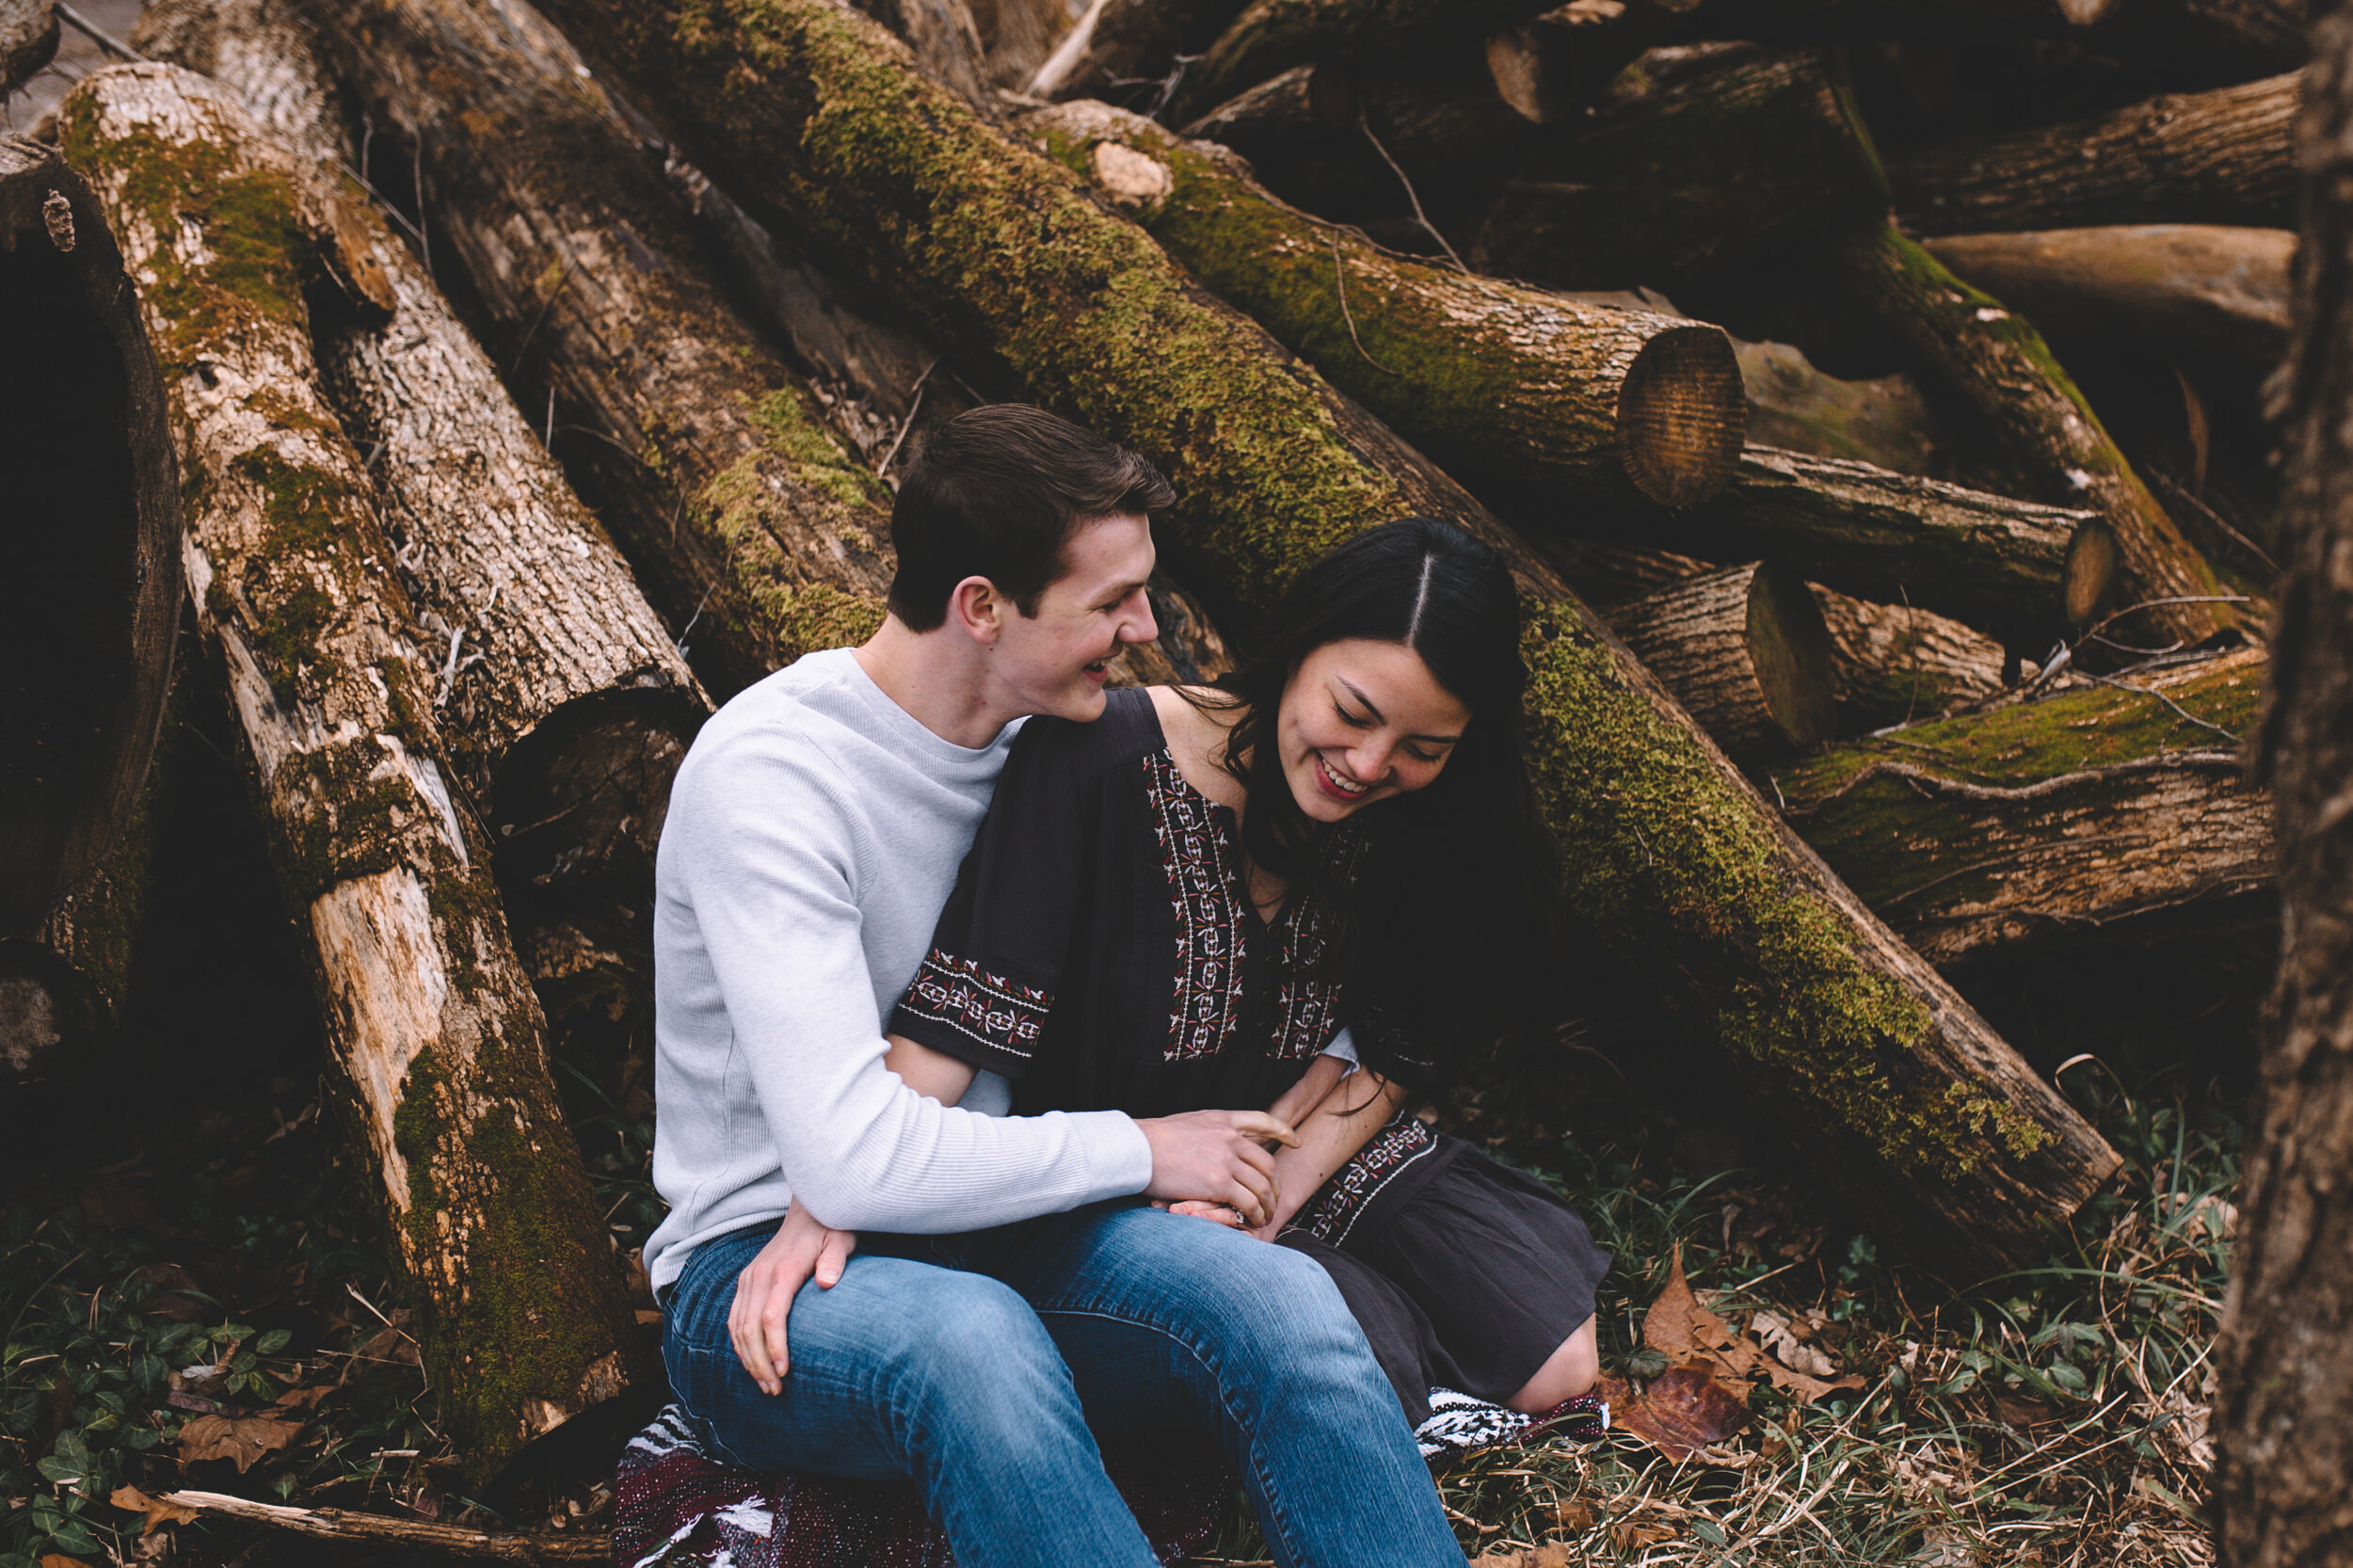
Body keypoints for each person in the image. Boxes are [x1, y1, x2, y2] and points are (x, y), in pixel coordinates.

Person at [645, 406, 1467, 1568]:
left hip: (1003, 1222)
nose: (1145, 628)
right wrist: (1143, 1148)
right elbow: (843, 1156)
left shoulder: (1060, 752)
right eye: (1110, 602)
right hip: (767, 1284)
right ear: (982, 607)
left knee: (1280, 1306)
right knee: (969, 1341)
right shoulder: (777, 779)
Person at [883, 517, 1609, 1431]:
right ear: (1296, 652)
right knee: (1353, 1377)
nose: (1371, 764)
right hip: (1113, 1181)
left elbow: (1408, 1031)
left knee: (1556, 1363)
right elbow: (956, 1024)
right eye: (1351, 712)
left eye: (1423, 746)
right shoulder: (1096, 757)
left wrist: (1278, 1192)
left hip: (1303, 1143)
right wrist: (846, 1187)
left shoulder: (1422, 818)